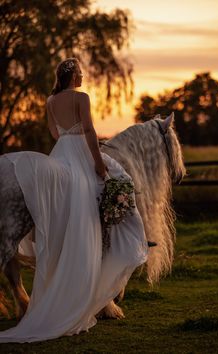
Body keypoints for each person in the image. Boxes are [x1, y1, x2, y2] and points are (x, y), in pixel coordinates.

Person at [0, 57, 148, 343]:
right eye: (80, 73)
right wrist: (98, 164)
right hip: (80, 151)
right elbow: (91, 130)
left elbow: (54, 132)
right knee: (115, 187)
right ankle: (107, 268)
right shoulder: (81, 97)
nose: (82, 77)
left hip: (61, 150)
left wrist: (68, 136)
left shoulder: (50, 101)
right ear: (73, 75)